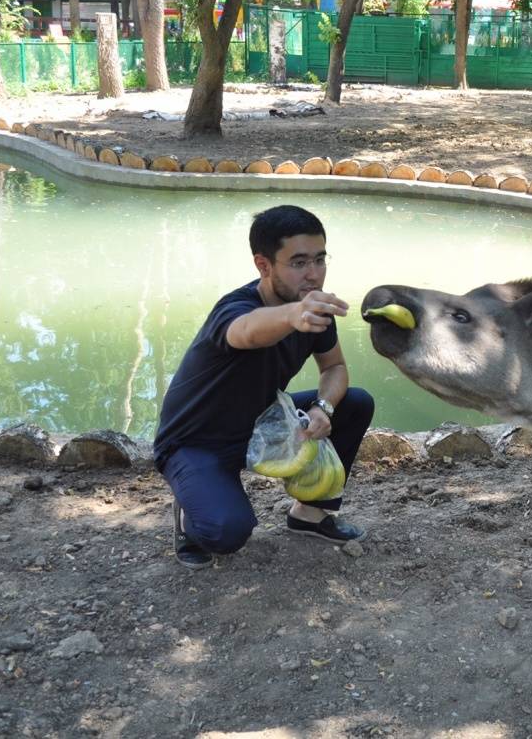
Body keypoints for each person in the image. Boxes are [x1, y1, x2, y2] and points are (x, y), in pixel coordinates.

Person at [153, 205, 374, 569]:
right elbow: (247, 332)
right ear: (263, 265)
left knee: (355, 403)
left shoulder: (312, 309)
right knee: (226, 532)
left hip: (261, 423)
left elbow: (334, 367)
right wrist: (293, 315)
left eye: (320, 259)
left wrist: (323, 408)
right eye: (299, 262)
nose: (314, 274)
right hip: (196, 440)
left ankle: (310, 514)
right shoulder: (236, 309)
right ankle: (190, 516)